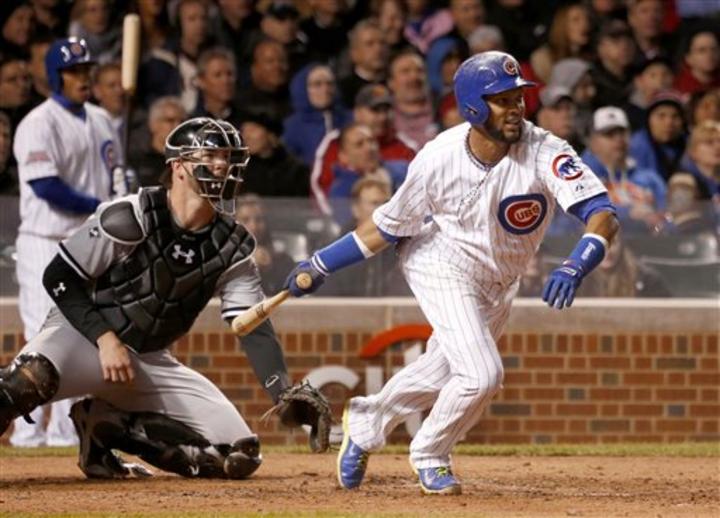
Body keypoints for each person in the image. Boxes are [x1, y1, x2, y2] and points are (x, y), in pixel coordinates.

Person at [283, 51, 619, 494]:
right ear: (473, 106)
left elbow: (602, 212)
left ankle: (366, 421)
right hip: (441, 262)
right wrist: (321, 263)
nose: (515, 108)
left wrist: (578, 262)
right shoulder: (438, 156)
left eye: (518, 97)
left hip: (500, 279)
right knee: (482, 375)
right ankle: (430, 454)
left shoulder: (545, 150)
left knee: (441, 372)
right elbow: (387, 226)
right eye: (502, 100)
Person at [0, 117, 328, 478]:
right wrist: (104, 338)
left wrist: (282, 393)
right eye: (210, 155)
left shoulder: (233, 246)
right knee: (25, 381)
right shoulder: (132, 214)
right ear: (178, 166)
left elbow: (251, 325)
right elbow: (59, 276)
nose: (222, 164)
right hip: (81, 338)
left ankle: (104, 425)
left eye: (228, 156)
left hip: (148, 357)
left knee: (238, 455)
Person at [9, 37, 125, 448]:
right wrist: (100, 206)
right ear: (56, 77)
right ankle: (26, 432)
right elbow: (45, 186)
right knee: (41, 335)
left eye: (86, 70)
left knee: (80, 336)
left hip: (89, 244)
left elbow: (116, 173)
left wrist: (119, 197)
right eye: (74, 72)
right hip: (46, 240)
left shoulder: (102, 119)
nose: (83, 78)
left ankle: (62, 431)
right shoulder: (37, 123)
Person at [581, 106, 666, 232]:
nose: (618, 139)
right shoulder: (581, 178)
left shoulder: (650, 179)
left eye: (622, 133)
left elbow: (667, 215)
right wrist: (628, 213)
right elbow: (572, 220)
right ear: (592, 141)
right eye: (609, 134)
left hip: (647, 241)